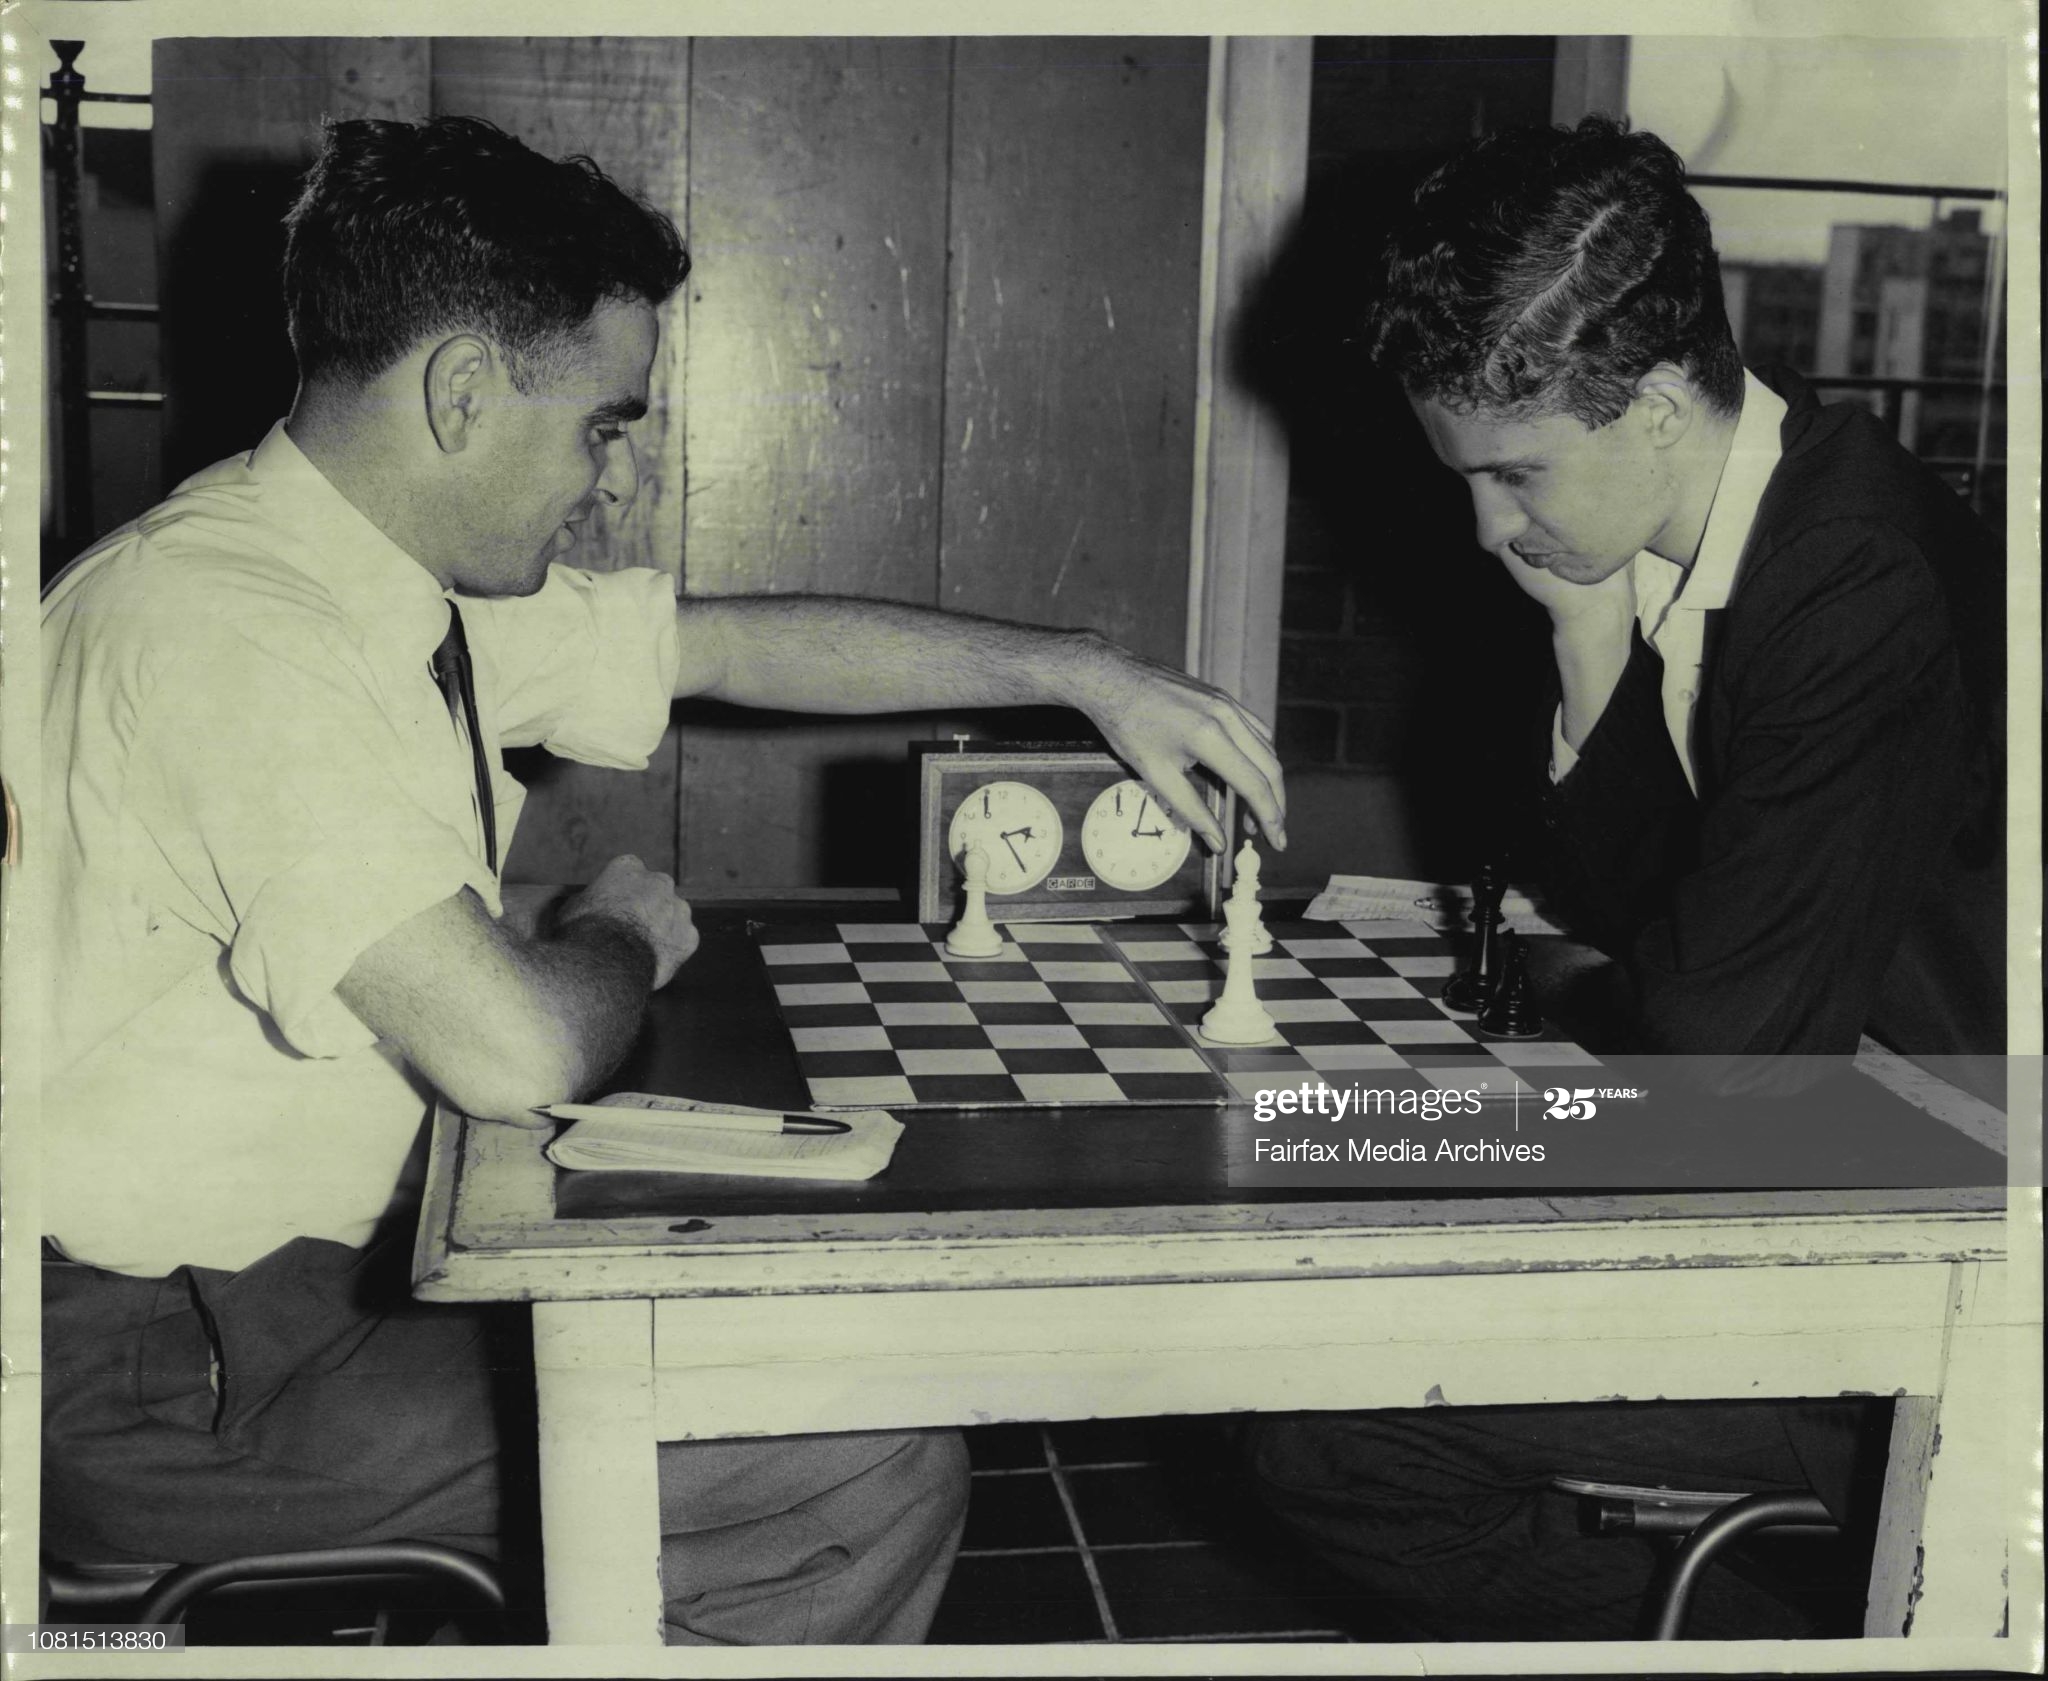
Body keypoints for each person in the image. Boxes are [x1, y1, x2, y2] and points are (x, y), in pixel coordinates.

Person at [41, 115, 1287, 1645]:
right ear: (462, 392)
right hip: (171, 1363)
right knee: (859, 1460)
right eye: (602, 424)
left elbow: (719, 644)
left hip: (271, 1297)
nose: (617, 479)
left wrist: (1081, 673)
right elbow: (513, 1050)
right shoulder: (230, 627)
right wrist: (616, 935)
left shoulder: (356, 581)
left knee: (784, 1357)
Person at [1242, 116, 2003, 1640]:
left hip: (1951, 1286)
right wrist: (1585, 639)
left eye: (1513, 473)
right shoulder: (1730, 526)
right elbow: (1655, 921)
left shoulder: (1855, 587)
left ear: (1657, 403)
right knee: (1335, 1221)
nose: (1481, 525)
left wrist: (1454, 1109)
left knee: (1328, 1427)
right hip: (1834, 1174)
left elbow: (1722, 1067)